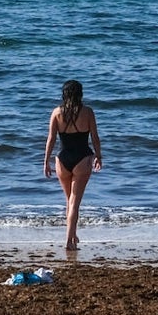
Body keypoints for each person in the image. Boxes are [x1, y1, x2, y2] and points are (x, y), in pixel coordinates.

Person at [43, 80, 102, 251]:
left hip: (62, 159)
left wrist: (46, 161)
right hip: (82, 159)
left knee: (69, 201)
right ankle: (69, 241)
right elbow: (95, 138)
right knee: (74, 203)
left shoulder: (56, 113)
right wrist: (99, 156)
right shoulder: (88, 112)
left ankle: (73, 234)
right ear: (80, 94)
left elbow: (51, 139)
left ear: (64, 94)